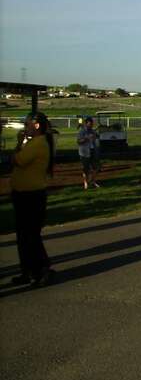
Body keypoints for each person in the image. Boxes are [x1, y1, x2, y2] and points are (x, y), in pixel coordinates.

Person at [10, 112, 56, 286]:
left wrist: (18, 144)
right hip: (23, 194)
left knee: (31, 236)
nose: (25, 127)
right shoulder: (34, 142)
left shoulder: (37, 143)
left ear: (36, 125)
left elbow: (17, 160)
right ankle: (27, 271)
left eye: (27, 124)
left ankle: (42, 270)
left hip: (31, 195)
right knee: (23, 236)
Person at [77, 117, 100, 189]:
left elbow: (97, 136)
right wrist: (87, 138)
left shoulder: (93, 131)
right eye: (89, 124)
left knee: (96, 167)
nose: (91, 126)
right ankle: (86, 182)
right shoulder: (82, 132)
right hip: (84, 152)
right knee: (85, 168)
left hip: (93, 150)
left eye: (92, 124)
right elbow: (78, 142)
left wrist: (95, 136)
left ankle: (93, 181)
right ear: (86, 124)